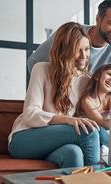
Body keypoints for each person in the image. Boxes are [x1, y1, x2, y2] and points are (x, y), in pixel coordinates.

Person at [8, 22, 101, 168]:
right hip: (25, 138)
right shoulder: (41, 69)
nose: (84, 56)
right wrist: (67, 120)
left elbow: (89, 117)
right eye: (78, 50)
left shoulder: (85, 81)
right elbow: (30, 114)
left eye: (87, 49)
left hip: (57, 143)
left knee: (74, 153)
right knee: (88, 133)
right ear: (65, 50)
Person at [27, 0, 111, 103]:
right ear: (98, 19)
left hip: (85, 107)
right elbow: (34, 61)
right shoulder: (71, 34)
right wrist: (52, 94)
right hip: (57, 102)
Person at [76, 63, 111, 146]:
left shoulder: (110, 98)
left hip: (107, 134)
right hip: (91, 135)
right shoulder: (86, 101)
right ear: (97, 76)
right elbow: (103, 123)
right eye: (109, 74)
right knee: (100, 130)